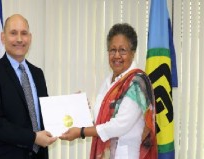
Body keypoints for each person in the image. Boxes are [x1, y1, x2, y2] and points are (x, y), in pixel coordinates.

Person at [60, 23, 157, 159]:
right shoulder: (109, 81)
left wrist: (81, 132)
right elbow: (101, 120)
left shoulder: (137, 82)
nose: (116, 55)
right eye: (112, 50)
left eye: (122, 50)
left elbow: (119, 125)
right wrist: (81, 110)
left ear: (133, 53)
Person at [0, 14, 57, 159]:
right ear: (3, 37)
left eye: (24, 33)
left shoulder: (38, 73)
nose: (19, 39)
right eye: (13, 33)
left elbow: (44, 115)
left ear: (30, 38)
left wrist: (71, 107)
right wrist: (33, 138)